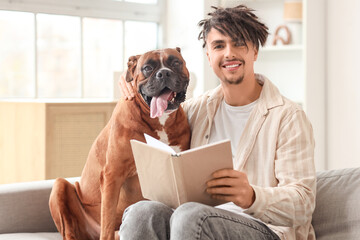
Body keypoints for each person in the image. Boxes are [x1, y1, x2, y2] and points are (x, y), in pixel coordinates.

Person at [118, 5, 316, 240]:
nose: (229, 53)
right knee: (142, 212)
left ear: (255, 51)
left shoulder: (289, 117)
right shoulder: (194, 110)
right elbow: (140, 121)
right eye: (219, 45)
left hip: (266, 229)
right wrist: (131, 83)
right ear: (209, 57)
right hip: (194, 222)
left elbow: (303, 204)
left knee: (190, 215)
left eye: (239, 43)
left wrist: (252, 196)